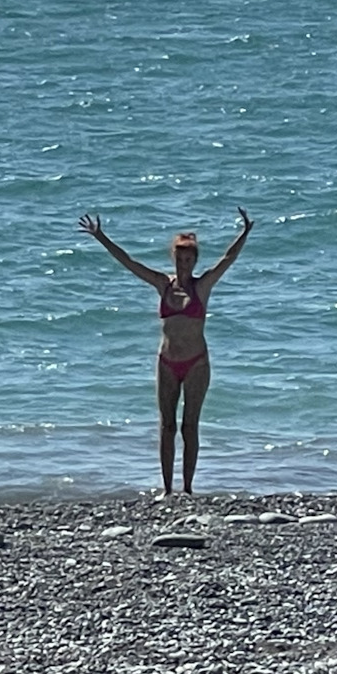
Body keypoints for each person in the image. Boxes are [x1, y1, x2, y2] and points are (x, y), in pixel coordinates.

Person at [77, 208, 253, 497]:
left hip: (197, 364)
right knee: (167, 426)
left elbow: (227, 259)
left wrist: (244, 233)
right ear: (174, 259)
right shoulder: (163, 284)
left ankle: (188, 489)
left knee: (189, 427)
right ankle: (168, 490)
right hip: (167, 363)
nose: (184, 265)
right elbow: (129, 262)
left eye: (189, 260)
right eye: (180, 260)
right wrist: (101, 237)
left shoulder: (202, 287)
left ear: (195, 261)